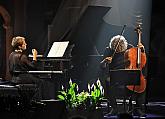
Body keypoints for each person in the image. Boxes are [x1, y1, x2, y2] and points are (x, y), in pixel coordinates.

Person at [100, 35, 146, 117]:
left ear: (124, 45)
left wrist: (142, 50)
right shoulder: (109, 50)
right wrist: (105, 61)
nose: (117, 50)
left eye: (120, 48)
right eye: (115, 48)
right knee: (107, 82)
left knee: (141, 83)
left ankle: (137, 108)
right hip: (115, 76)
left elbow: (139, 60)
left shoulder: (130, 48)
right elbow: (101, 66)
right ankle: (114, 108)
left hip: (128, 75)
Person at [8, 36, 44, 100]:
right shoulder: (22, 56)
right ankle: (36, 101)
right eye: (24, 44)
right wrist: (34, 57)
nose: (26, 44)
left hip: (14, 79)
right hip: (23, 79)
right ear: (20, 46)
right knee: (41, 81)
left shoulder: (11, 55)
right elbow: (33, 67)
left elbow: (10, 70)